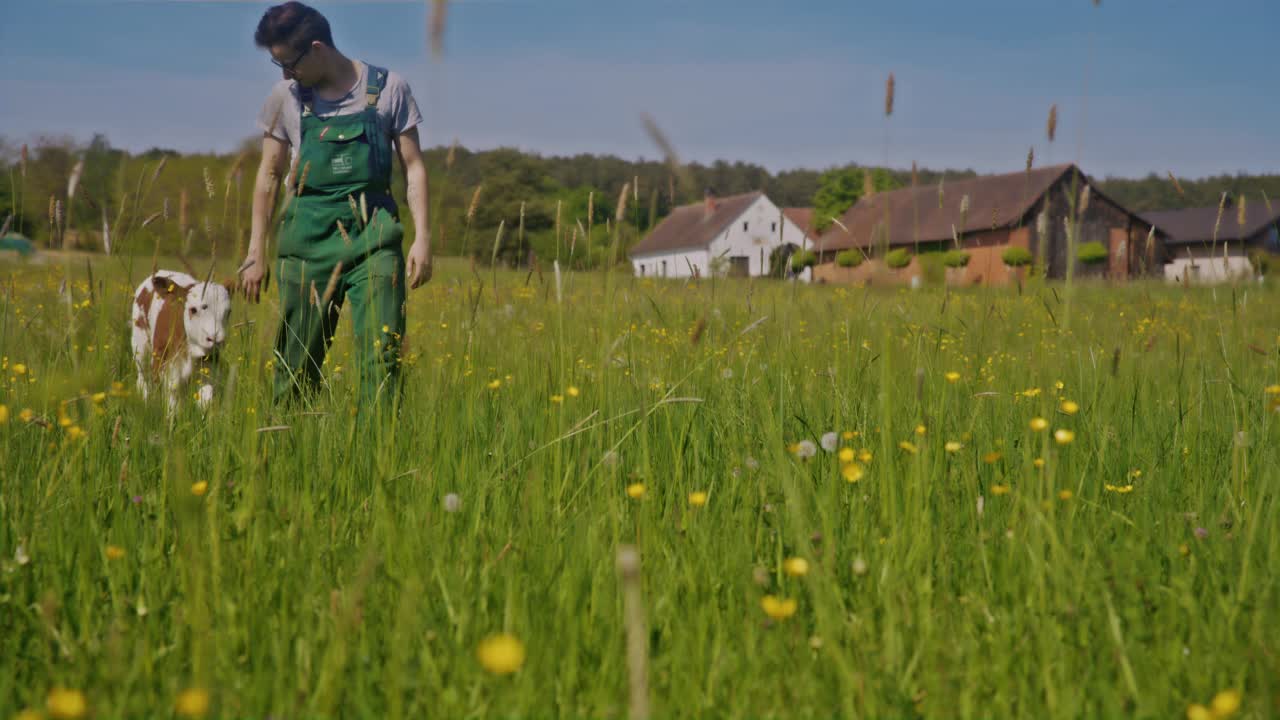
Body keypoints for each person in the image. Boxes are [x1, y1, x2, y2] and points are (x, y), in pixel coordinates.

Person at [240, 1, 431, 410]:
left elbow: (413, 167)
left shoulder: (389, 88)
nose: (287, 74)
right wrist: (256, 250)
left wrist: (423, 239)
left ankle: (377, 456)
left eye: (289, 63)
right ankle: (287, 450)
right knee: (295, 363)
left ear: (317, 48)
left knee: (382, 355)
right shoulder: (284, 98)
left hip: (375, 237)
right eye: (280, 66)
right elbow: (269, 174)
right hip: (306, 241)